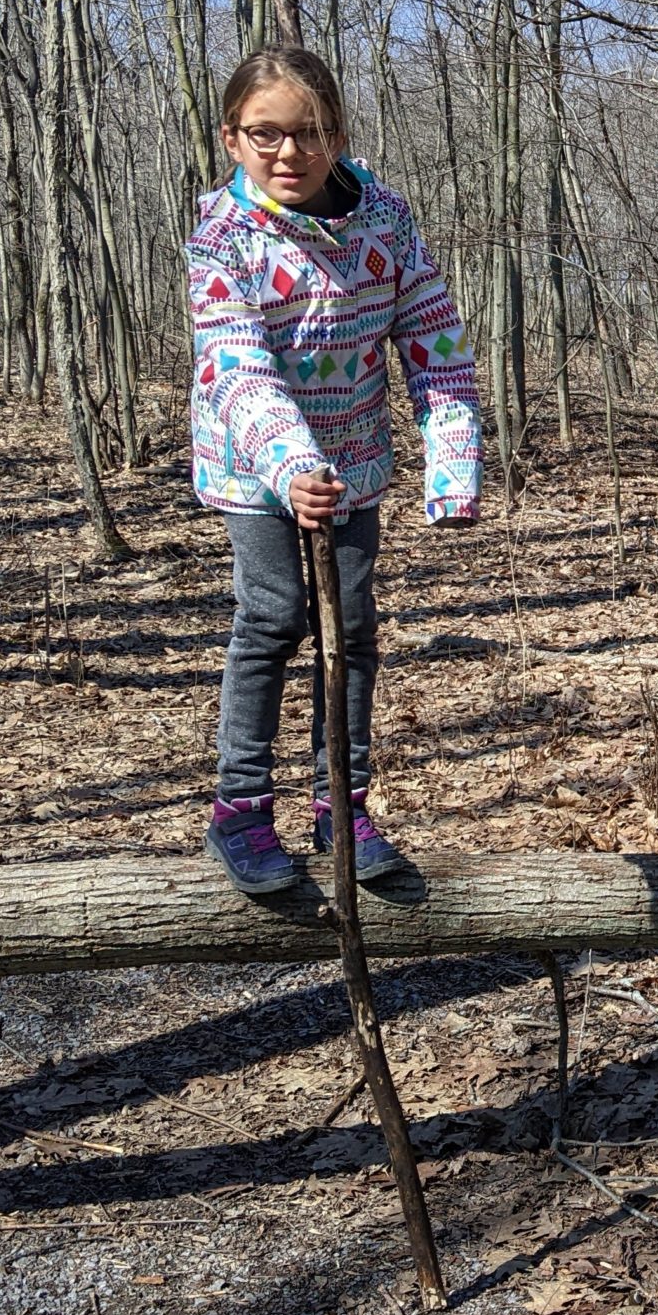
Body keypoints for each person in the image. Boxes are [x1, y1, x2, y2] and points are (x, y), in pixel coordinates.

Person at [187, 47, 481, 894]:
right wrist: (291, 465)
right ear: (233, 138)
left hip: (354, 459)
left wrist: (452, 466)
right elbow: (238, 369)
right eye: (266, 134)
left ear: (338, 136)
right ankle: (241, 809)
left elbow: (434, 341)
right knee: (274, 616)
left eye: (309, 133)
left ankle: (341, 806)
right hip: (254, 467)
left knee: (350, 628)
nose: (289, 152)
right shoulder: (222, 239)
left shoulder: (385, 223)